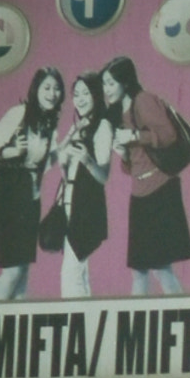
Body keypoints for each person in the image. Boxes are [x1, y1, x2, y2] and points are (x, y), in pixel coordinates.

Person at [99, 55, 190, 297]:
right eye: (104, 84)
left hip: (160, 190)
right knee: (139, 269)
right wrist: (123, 151)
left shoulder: (144, 101)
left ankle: (184, 312)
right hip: (140, 194)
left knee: (161, 268)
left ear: (125, 81)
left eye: (110, 83)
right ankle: (136, 320)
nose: (106, 89)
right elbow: (133, 164)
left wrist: (135, 137)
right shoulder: (122, 112)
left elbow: (168, 135)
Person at [0, 67, 64, 300]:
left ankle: (16, 325)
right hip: (7, 200)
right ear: (36, 90)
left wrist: (67, 149)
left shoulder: (49, 123)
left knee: (23, 270)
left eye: (57, 88)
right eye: (47, 87)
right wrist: (13, 150)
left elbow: (45, 162)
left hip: (30, 200)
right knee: (13, 270)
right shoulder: (19, 113)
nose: (52, 93)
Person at [52, 72, 113, 299]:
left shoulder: (103, 126)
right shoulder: (79, 126)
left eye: (86, 93)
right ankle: (85, 318)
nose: (80, 99)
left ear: (96, 95)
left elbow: (103, 176)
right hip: (70, 203)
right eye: (76, 94)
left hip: (86, 207)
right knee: (78, 272)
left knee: (71, 274)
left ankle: (75, 319)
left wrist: (87, 159)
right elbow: (60, 161)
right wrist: (68, 144)